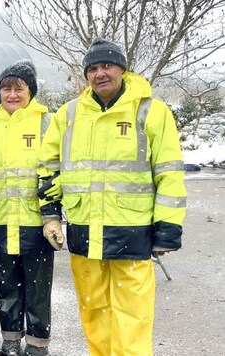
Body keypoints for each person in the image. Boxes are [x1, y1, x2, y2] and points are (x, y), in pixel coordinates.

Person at [37, 38, 187, 356]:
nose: (100, 73)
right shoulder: (69, 115)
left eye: (107, 65)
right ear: (86, 75)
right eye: (93, 68)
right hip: (84, 234)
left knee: (132, 319)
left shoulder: (152, 112)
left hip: (132, 235)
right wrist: (50, 214)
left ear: (122, 68)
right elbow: (47, 167)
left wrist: (168, 228)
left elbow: (169, 173)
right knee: (94, 316)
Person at [0, 60, 62, 356]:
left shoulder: (45, 122)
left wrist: (52, 215)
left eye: (19, 88)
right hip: (0, 220)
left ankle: (38, 343)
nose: (12, 94)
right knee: (6, 286)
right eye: (6, 88)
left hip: (34, 221)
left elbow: (53, 171)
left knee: (38, 288)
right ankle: (11, 338)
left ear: (32, 91)